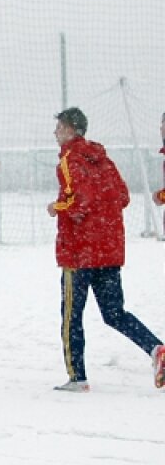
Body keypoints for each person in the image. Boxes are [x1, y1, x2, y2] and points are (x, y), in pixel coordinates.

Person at [47, 107, 165, 392]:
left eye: (58, 128)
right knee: (114, 313)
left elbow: (80, 200)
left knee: (71, 316)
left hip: (79, 252)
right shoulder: (104, 160)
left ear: (70, 130)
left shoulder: (69, 159)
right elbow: (123, 197)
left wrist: (56, 207)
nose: (55, 133)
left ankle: (78, 378)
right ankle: (157, 350)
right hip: (108, 251)